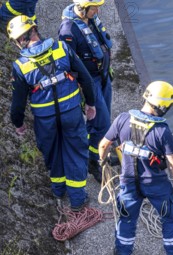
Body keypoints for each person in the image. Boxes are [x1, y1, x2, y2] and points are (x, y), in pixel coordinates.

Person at [98, 81, 173, 255]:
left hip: (128, 181)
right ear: (163, 105)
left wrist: (104, 161)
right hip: (156, 184)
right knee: (169, 217)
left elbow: (103, 145)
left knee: (126, 218)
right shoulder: (162, 131)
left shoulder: (122, 119)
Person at [8, 15, 96, 211]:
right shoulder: (62, 48)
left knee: (52, 152)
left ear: (20, 40)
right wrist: (90, 103)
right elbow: (86, 78)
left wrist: (18, 124)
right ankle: (77, 200)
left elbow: (17, 104)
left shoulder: (20, 66)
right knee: (76, 152)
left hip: (45, 120)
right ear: (34, 30)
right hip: (71, 113)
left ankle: (58, 190)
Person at [59, 0, 112, 183]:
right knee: (102, 124)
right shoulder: (68, 31)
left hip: (103, 76)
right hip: (90, 82)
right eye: (94, 7)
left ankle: (96, 150)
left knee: (101, 122)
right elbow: (69, 64)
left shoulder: (91, 19)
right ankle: (94, 162)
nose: (97, 10)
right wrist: (83, 91)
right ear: (82, 8)